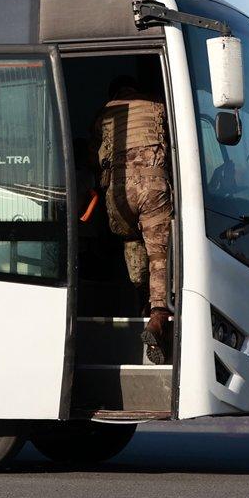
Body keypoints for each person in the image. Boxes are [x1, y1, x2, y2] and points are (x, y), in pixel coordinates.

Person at [92, 75, 174, 363]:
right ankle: (158, 315)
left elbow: (98, 156)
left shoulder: (104, 115)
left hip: (118, 195)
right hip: (150, 188)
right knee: (159, 255)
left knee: (132, 241)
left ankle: (141, 295)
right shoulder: (155, 106)